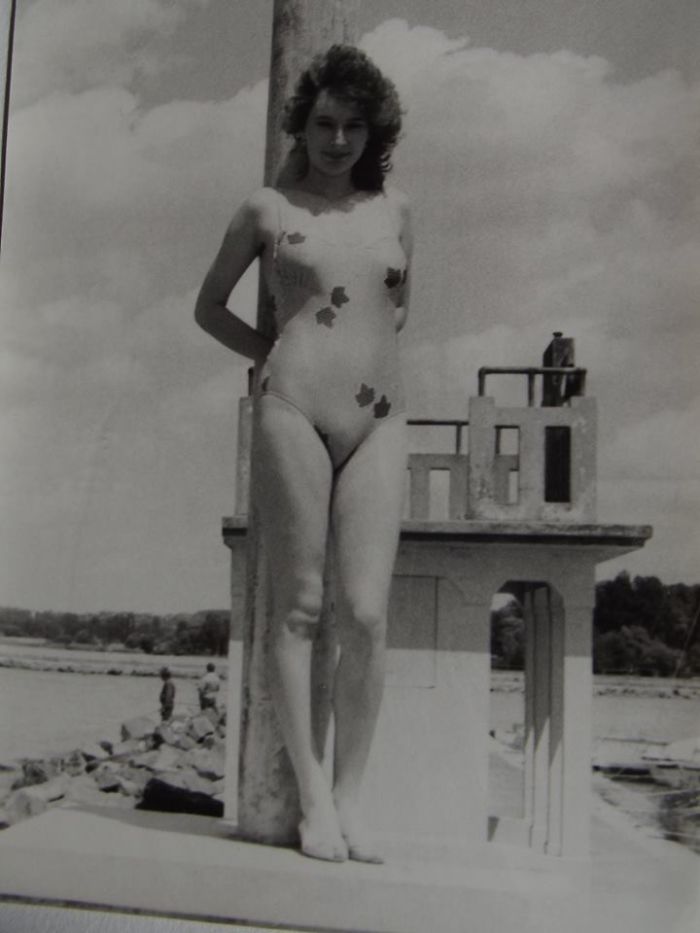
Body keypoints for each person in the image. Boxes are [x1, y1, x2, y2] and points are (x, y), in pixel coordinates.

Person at [195, 45, 411, 864]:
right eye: (324, 122)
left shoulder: (396, 209)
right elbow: (207, 307)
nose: (338, 139)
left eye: (355, 125)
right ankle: (314, 799)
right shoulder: (266, 209)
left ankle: (353, 796)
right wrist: (272, 354)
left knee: (365, 612)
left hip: (380, 418)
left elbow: (394, 312)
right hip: (290, 408)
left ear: (374, 131)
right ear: (303, 123)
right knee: (301, 605)